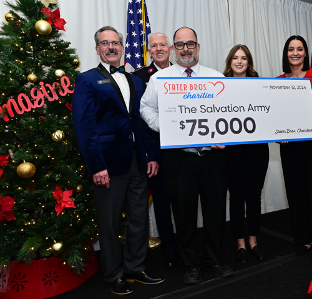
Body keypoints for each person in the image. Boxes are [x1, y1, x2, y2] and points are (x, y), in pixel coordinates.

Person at [73, 26, 164, 295]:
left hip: (137, 161)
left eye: (115, 42)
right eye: (105, 43)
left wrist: (151, 154)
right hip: (108, 165)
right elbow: (84, 126)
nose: (111, 47)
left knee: (138, 218)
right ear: (97, 48)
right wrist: (96, 165)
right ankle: (113, 274)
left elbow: (143, 122)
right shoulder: (87, 80)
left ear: (123, 47)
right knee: (110, 223)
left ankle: (135, 267)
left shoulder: (136, 81)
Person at [140, 27, 233, 285]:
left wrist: (225, 136)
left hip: (213, 158)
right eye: (180, 45)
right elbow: (145, 108)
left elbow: (227, 112)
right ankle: (191, 263)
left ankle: (216, 259)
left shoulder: (215, 77)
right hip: (179, 158)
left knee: (215, 210)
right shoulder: (161, 79)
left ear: (198, 46)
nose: (185, 49)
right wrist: (166, 127)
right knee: (184, 213)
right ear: (173, 49)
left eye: (190, 43)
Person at [276, 35, 312, 256]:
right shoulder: (278, 80)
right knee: (296, 191)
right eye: (291, 49)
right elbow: (277, 114)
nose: (295, 53)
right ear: (286, 53)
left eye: (299, 49)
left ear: (306, 53)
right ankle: (303, 239)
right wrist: (279, 133)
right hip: (289, 143)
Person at [133, 32, 178, 269]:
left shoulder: (182, 73)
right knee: (161, 203)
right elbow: (140, 120)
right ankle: (170, 250)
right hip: (157, 151)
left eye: (162, 45)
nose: (159, 49)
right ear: (149, 51)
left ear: (170, 48)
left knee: (184, 202)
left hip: (182, 150)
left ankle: (187, 246)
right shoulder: (139, 77)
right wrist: (150, 154)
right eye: (154, 46)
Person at [222, 45, 269, 264]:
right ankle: (239, 243)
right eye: (235, 58)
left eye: (244, 58)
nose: (239, 61)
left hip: (257, 150)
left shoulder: (260, 85)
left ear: (249, 62)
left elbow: (269, 112)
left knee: (253, 197)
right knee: (236, 198)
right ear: (229, 61)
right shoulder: (219, 85)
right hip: (231, 151)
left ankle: (253, 240)